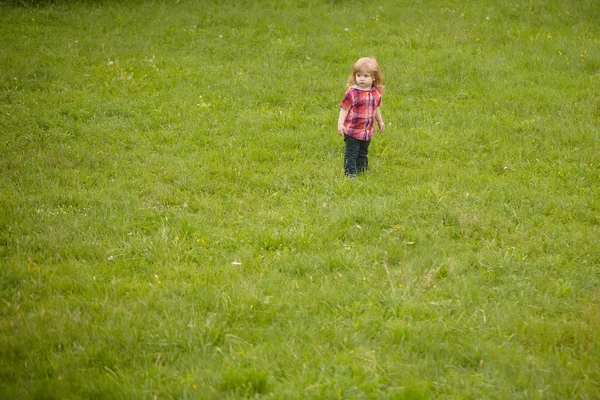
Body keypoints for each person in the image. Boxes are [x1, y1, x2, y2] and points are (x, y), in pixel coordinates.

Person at [337, 57, 385, 178]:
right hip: (352, 130)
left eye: (365, 76)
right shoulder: (352, 93)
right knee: (352, 152)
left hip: (366, 131)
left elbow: (376, 108)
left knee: (363, 152)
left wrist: (380, 121)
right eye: (358, 75)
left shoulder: (375, 93)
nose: (361, 79)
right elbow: (344, 108)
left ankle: (362, 169)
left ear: (374, 77)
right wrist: (340, 124)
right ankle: (350, 172)